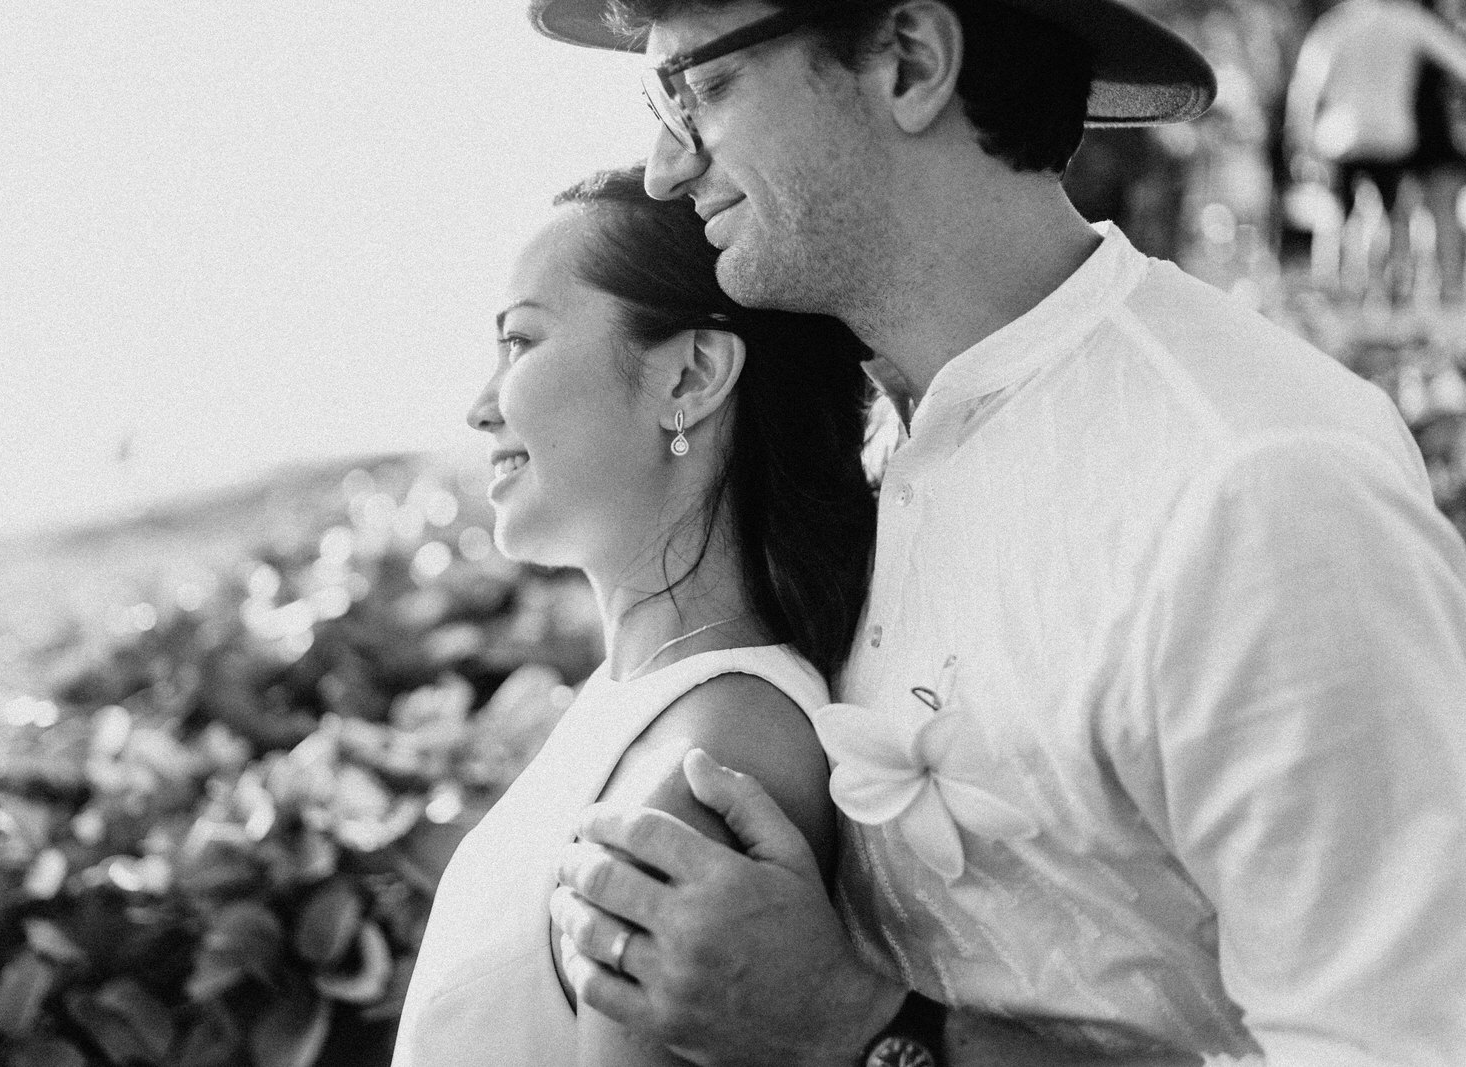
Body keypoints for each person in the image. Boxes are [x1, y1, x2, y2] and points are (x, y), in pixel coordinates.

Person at [532, 0, 1466, 1064]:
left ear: (910, 61)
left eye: (698, 90)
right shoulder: (870, 444)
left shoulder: (1255, 488)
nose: (663, 168)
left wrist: (852, 1026)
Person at [390, 164, 879, 1065]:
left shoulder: (712, 762)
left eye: (520, 341)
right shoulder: (635, 703)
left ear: (690, 375)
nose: (480, 408)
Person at [1285, 0, 1466, 215]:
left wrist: (1299, 143)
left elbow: (1305, 88)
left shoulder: (1338, 23)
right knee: (1392, 215)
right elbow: (1458, 59)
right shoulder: (1408, 19)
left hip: (1343, 140)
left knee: (1340, 217)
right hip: (1391, 139)